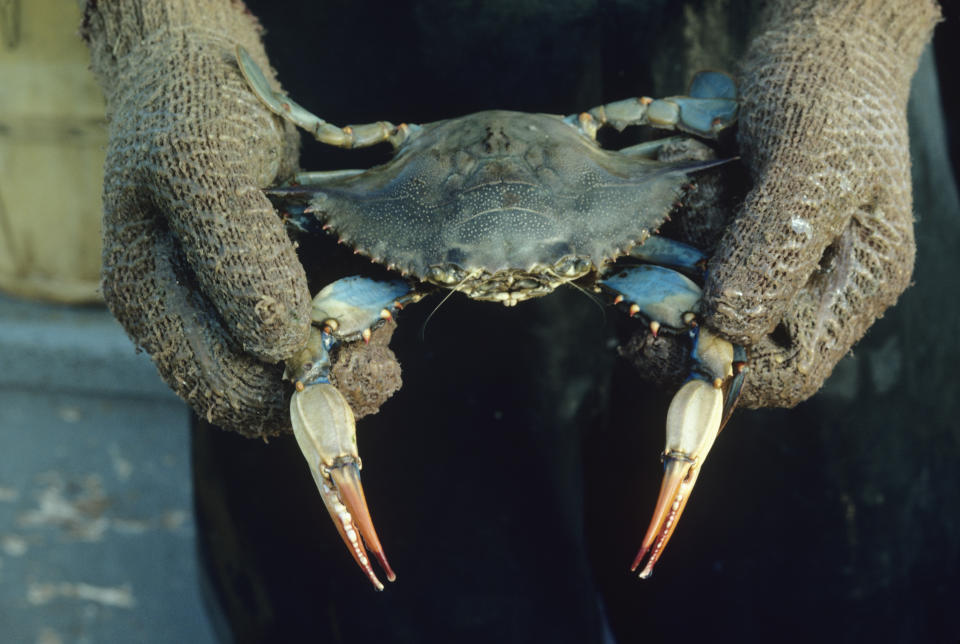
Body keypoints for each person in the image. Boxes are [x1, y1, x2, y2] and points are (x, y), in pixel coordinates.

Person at [84, 1, 957, 641]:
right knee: (292, 362)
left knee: (810, 575)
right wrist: (158, 27)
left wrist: (859, 23)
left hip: (762, 115)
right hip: (323, 64)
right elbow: (308, 340)